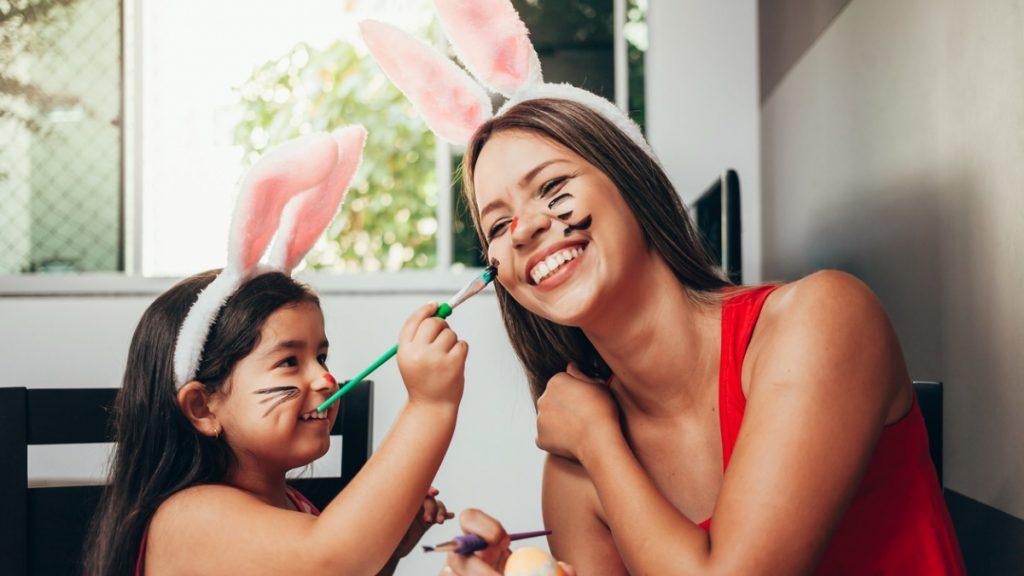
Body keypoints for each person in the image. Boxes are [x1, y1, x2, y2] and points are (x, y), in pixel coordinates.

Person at [84, 129, 467, 575]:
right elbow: (330, 561)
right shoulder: (188, 516)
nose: (326, 379)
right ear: (202, 406)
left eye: (321, 357)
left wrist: (387, 551)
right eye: (289, 362)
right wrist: (431, 404)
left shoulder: (294, 507)